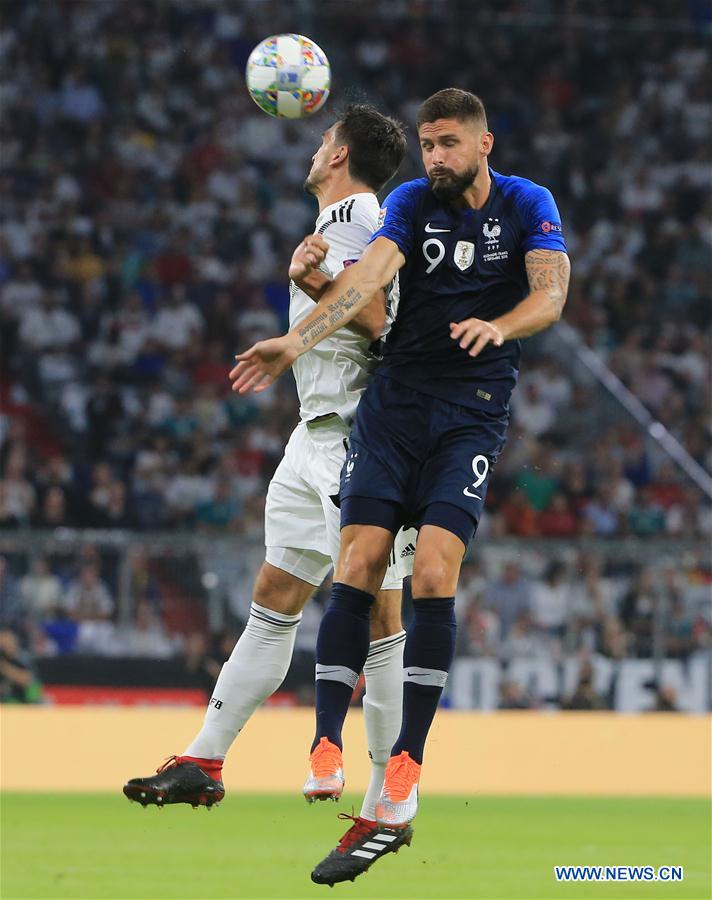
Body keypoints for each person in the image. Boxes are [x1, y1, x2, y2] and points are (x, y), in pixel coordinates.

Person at [231, 88, 570, 830]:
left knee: (434, 573)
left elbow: (550, 297)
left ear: (485, 144)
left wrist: (499, 325)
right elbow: (368, 278)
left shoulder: (525, 202)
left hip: (471, 414)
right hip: (394, 406)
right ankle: (325, 741)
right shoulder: (412, 201)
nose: (434, 156)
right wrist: (297, 340)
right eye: (427, 143)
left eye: (449, 143)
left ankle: (408, 758)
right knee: (354, 564)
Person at [124, 104, 418, 883]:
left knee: (384, 612)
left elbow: (382, 318)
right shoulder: (339, 215)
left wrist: (314, 279)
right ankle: (205, 760)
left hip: (363, 440)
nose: (314, 149)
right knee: (276, 592)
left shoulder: (361, 214)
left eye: (323, 140)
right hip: (311, 436)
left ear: (341, 151)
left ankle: (387, 803)